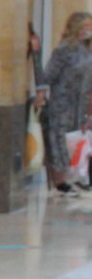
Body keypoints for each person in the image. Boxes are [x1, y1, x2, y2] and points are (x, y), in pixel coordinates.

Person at [46, 13, 92, 194]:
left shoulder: (88, 50)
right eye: (86, 26)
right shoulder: (64, 49)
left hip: (80, 104)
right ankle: (60, 180)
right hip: (62, 103)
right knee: (60, 140)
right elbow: (49, 75)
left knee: (75, 141)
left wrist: (88, 113)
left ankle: (74, 176)